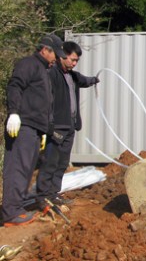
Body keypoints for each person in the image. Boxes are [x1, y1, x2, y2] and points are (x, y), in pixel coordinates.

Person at [2, 34, 65, 227]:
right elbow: (15, 86)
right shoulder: (28, 64)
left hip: (36, 128)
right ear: (45, 49)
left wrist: (44, 130)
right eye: (55, 54)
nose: (56, 58)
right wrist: (13, 113)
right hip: (24, 125)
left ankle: (16, 207)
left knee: (28, 169)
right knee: (18, 168)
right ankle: (11, 212)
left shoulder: (44, 70)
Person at [35, 41, 99, 208]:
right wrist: (49, 126)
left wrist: (94, 80)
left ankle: (53, 194)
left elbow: (84, 80)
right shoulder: (51, 74)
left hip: (70, 126)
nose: (74, 63)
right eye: (72, 59)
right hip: (56, 127)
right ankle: (42, 197)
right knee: (50, 162)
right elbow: (45, 102)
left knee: (62, 163)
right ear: (62, 56)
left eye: (76, 60)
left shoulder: (72, 76)